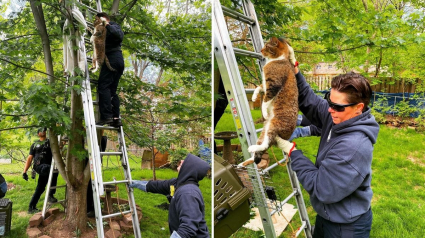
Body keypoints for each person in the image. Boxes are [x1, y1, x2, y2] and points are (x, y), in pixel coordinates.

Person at [276, 67, 379, 237]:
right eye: (329, 101)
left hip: (345, 227)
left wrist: (293, 152)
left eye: (337, 106)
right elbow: (313, 104)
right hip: (328, 215)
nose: (330, 109)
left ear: (359, 108)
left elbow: (321, 188)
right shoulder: (340, 117)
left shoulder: (353, 147)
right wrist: (295, 73)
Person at [130, 154, 210, 238]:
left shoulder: (188, 193)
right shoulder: (177, 183)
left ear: (190, 169)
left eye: (185, 162)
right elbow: (157, 185)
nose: (181, 161)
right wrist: (135, 183)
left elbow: (188, 228)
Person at [94, 12, 124, 127]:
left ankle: (107, 116)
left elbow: (119, 35)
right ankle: (116, 118)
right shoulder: (103, 30)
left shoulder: (113, 26)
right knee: (111, 90)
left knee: (103, 86)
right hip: (116, 60)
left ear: (104, 18)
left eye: (98, 20)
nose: (97, 22)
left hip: (113, 59)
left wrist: (106, 23)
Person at [23, 128, 59, 213]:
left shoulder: (51, 142)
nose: (43, 131)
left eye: (44, 130)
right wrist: (24, 171)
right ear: (38, 133)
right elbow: (29, 158)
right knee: (47, 168)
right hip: (39, 166)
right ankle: (50, 195)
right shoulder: (35, 144)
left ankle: (31, 207)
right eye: (41, 130)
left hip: (48, 167)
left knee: (40, 187)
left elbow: (59, 147)